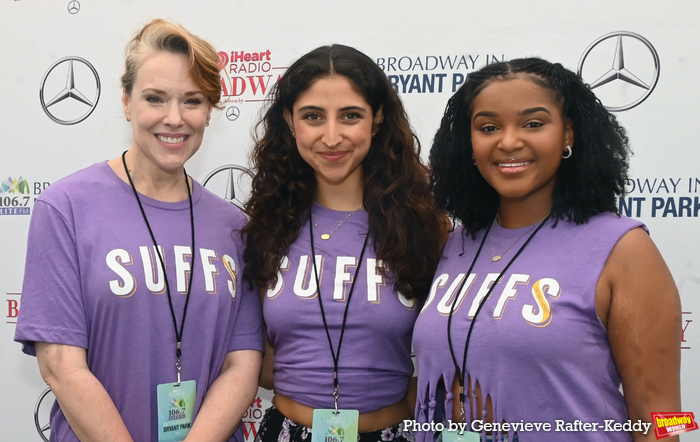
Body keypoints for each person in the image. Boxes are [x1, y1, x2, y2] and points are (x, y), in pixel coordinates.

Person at [15, 19, 263, 442]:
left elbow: (242, 363)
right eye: (155, 98)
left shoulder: (234, 227)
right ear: (127, 102)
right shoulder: (65, 207)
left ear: (209, 110)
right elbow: (60, 364)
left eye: (192, 101)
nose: (174, 118)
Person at [413, 58, 681, 442]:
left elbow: (664, 417)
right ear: (469, 144)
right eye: (489, 127)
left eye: (533, 123)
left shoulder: (625, 249)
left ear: (568, 134)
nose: (508, 141)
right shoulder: (455, 244)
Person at [241, 44, 446, 442]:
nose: (331, 137)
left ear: (378, 118)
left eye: (350, 116)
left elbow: (454, 349)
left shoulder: (424, 229)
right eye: (313, 116)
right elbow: (251, 355)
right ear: (289, 121)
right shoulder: (267, 227)